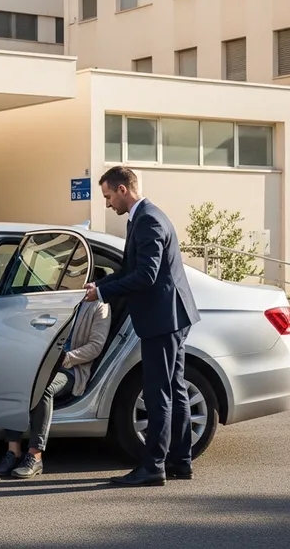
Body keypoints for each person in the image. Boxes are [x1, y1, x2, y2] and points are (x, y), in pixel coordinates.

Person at [83, 166, 200, 488]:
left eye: (108, 196)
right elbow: (131, 268)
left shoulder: (148, 220)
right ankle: (181, 461)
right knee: (174, 390)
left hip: (163, 319)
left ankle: (153, 467)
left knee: (158, 393)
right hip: (169, 316)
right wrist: (102, 283)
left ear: (123, 190)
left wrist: (105, 292)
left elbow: (146, 275)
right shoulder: (144, 216)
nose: (107, 203)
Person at [0, 268, 112, 479]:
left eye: (86, 280)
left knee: (42, 388)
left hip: (72, 368)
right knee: (14, 380)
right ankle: (13, 451)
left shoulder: (100, 307)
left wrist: (64, 358)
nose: (80, 283)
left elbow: (95, 347)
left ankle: (35, 456)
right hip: (42, 362)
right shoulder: (64, 300)